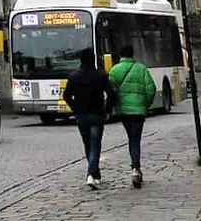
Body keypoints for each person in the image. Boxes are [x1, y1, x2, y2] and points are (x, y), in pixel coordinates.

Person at [63, 47, 115, 189]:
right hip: (97, 115)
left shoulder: (74, 77)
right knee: (96, 144)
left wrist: (75, 108)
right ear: (93, 60)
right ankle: (92, 174)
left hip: (82, 116)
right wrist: (107, 109)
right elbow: (111, 93)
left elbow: (66, 95)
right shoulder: (100, 76)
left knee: (88, 145)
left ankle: (95, 174)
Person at [108, 42, 157, 187]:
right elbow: (151, 89)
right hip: (138, 112)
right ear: (132, 54)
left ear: (121, 55)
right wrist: (145, 105)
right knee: (136, 139)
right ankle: (136, 168)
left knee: (131, 138)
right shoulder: (141, 69)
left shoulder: (114, 70)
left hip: (124, 111)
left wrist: (115, 106)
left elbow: (111, 91)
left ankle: (135, 167)